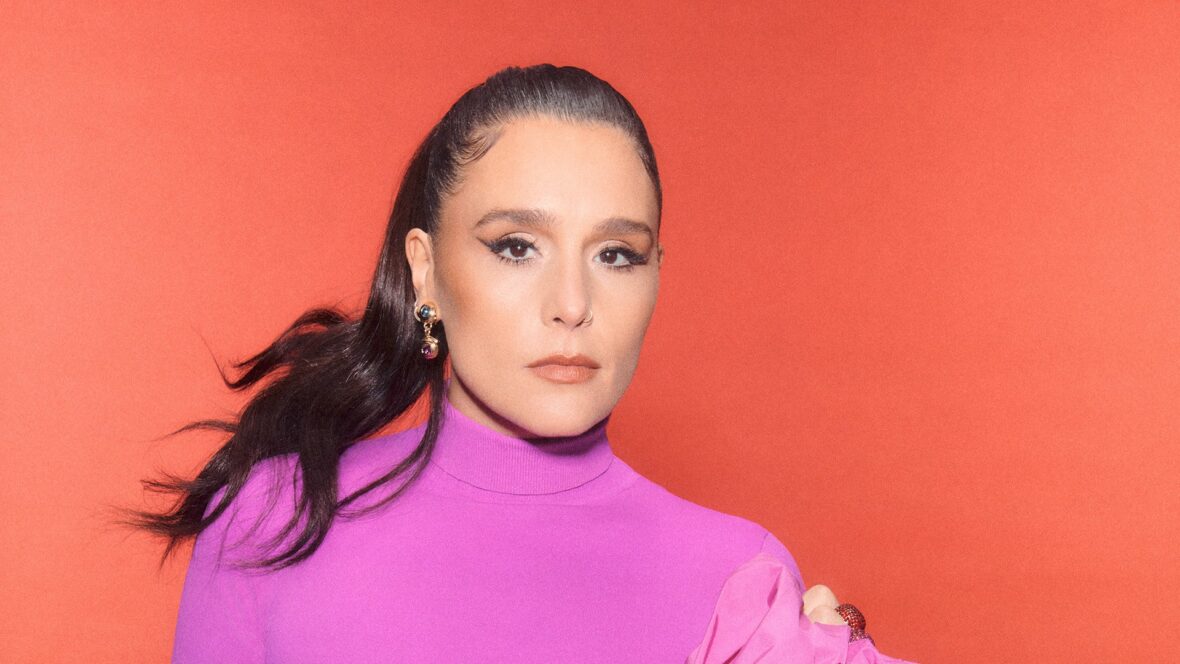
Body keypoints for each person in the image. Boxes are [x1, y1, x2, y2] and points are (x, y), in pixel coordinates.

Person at [129, 64, 909, 663]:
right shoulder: (273, 522)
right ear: (426, 272)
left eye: (616, 254)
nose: (571, 303)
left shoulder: (741, 585)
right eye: (516, 246)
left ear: (656, 276)